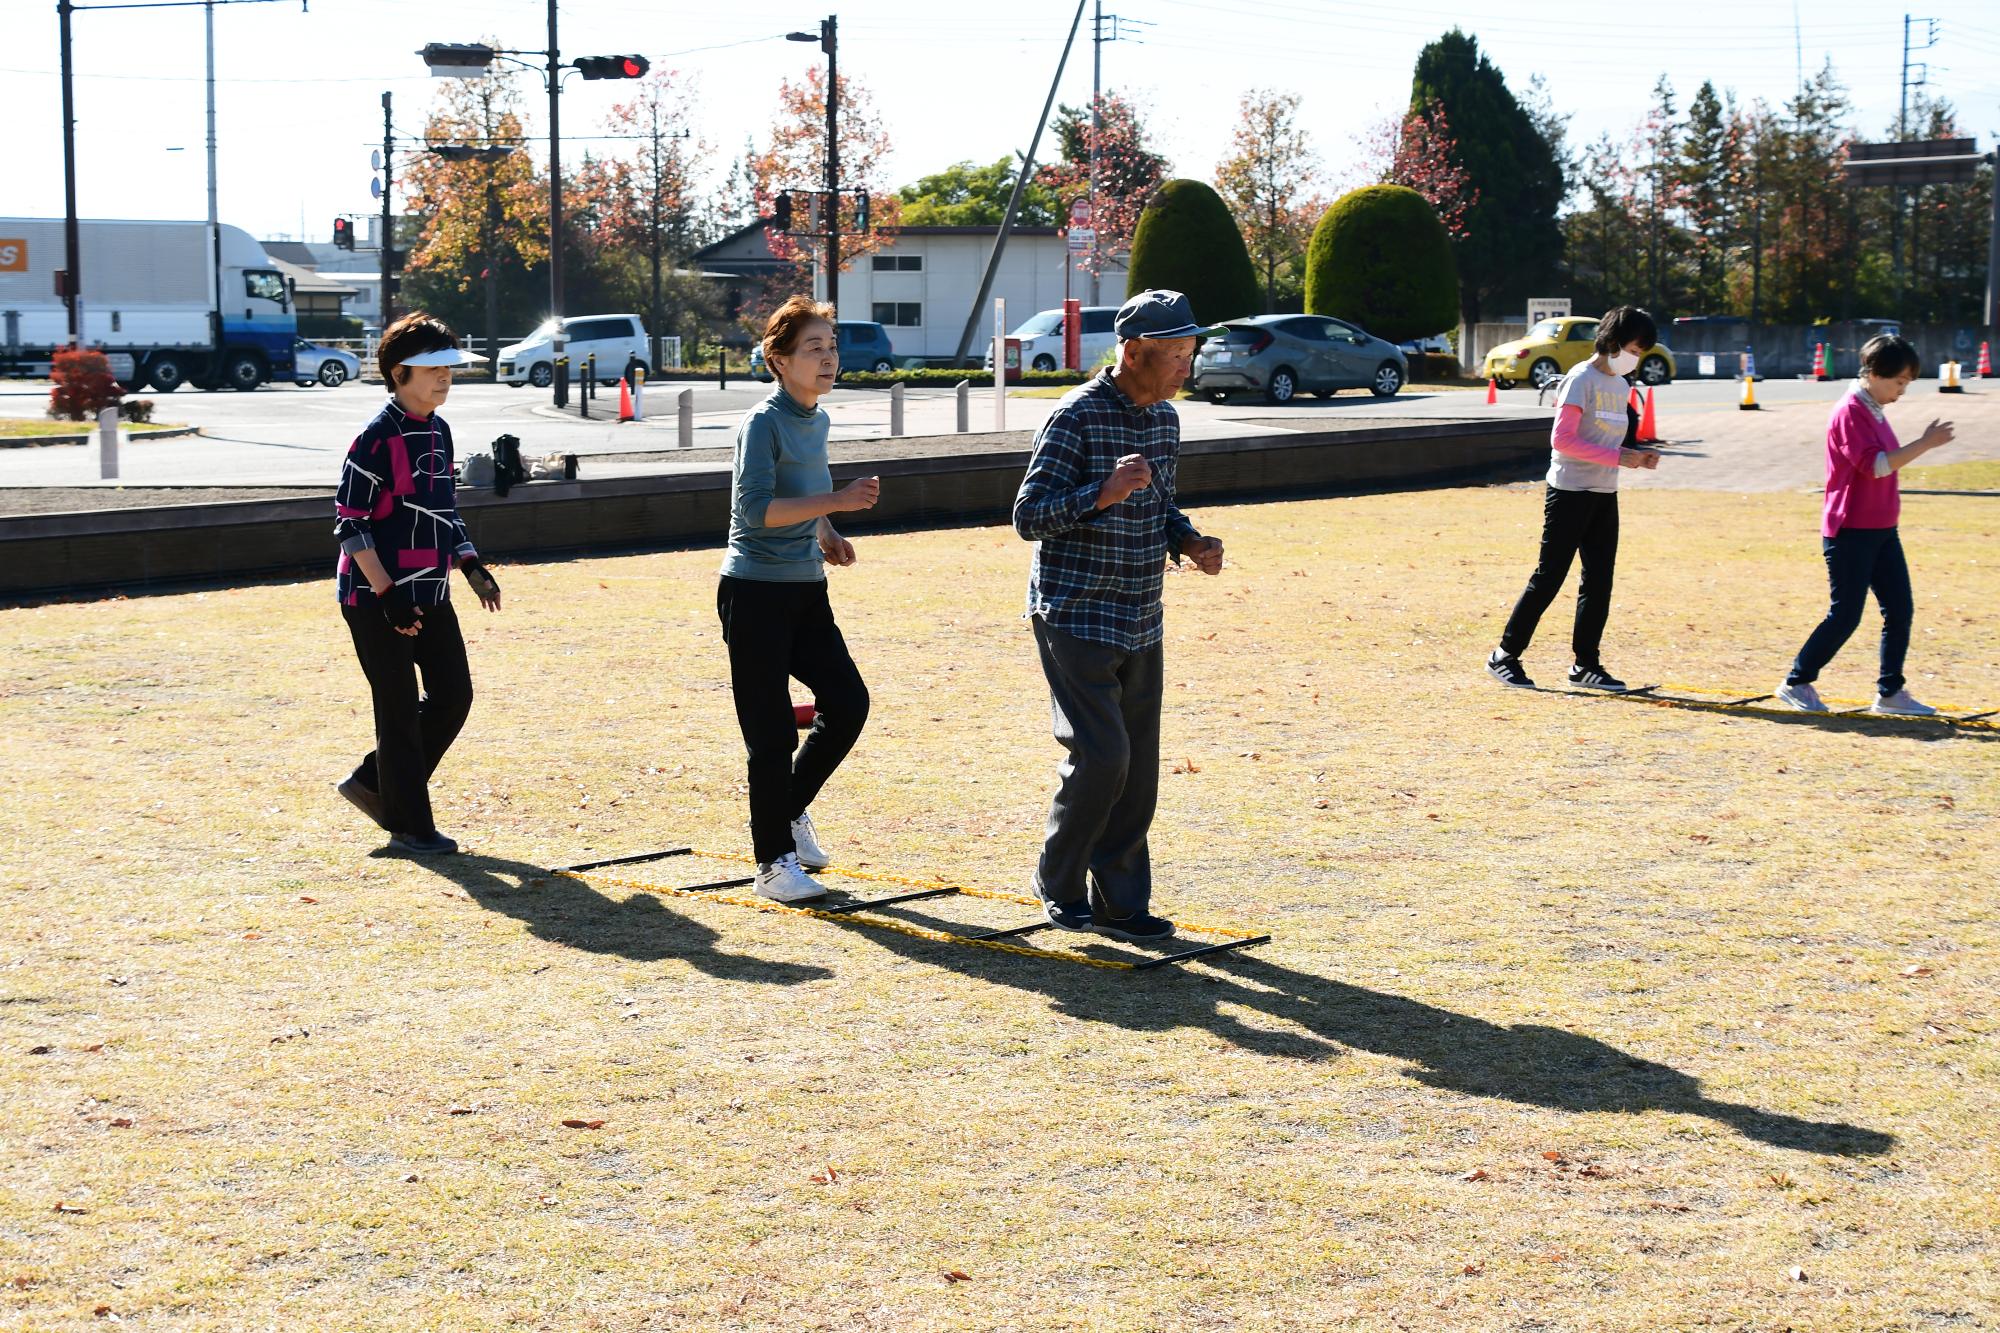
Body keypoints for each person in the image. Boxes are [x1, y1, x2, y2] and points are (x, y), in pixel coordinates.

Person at [1012, 289, 1226, 944]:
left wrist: (1188, 541)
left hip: (1141, 614)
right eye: (1178, 356)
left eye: (1191, 352)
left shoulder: (1165, 420)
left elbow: (1162, 504)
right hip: (1075, 612)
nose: (1186, 368)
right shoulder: (1076, 417)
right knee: (1103, 757)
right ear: (1134, 353)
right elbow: (1028, 515)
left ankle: (1121, 903)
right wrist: (1100, 494)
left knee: (1137, 771)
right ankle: (1059, 878)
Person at [718, 296, 880, 903]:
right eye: (814, 348)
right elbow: (755, 511)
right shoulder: (762, 423)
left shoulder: (817, 419)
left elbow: (803, 497)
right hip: (754, 592)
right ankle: (773, 865)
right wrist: (835, 503)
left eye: (832, 347)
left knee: (848, 702)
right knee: (769, 734)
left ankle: (786, 812)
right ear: (778, 360)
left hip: (806, 588)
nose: (828, 358)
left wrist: (827, 533)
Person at [332, 312, 502, 856]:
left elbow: (443, 510)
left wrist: (471, 565)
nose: (444, 378)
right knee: (399, 707)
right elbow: (350, 524)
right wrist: (387, 593)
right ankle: (410, 826)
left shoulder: (438, 430)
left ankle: (375, 782)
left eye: (449, 368)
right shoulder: (375, 438)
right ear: (399, 373)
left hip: (430, 590)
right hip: (375, 597)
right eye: (432, 369)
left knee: (454, 696)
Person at [1776, 334, 1955, 715]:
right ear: (1874, 373)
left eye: (1907, 383)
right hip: (1851, 529)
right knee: (1846, 615)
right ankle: (1797, 681)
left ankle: (1890, 693)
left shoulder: (1873, 408)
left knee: (1900, 610)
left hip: (1882, 529)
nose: (1902, 391)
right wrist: (1925, 443)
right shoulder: (1849, 411)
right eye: (1899, 382)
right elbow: (1874, 466)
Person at [1487, 305, 1663, 692]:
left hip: (1604, 491)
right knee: (1549, 577)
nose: (1637, 357)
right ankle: (1504, 655)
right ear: (1614, 343)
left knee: (1599, 581)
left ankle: (1586, 664)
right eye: (1635, 348)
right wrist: (1621, 457)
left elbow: (1608, 438)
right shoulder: (1580, 380)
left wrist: (1638, 454)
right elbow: (1562, 440)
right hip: (1569, 491)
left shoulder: (1621, 385)